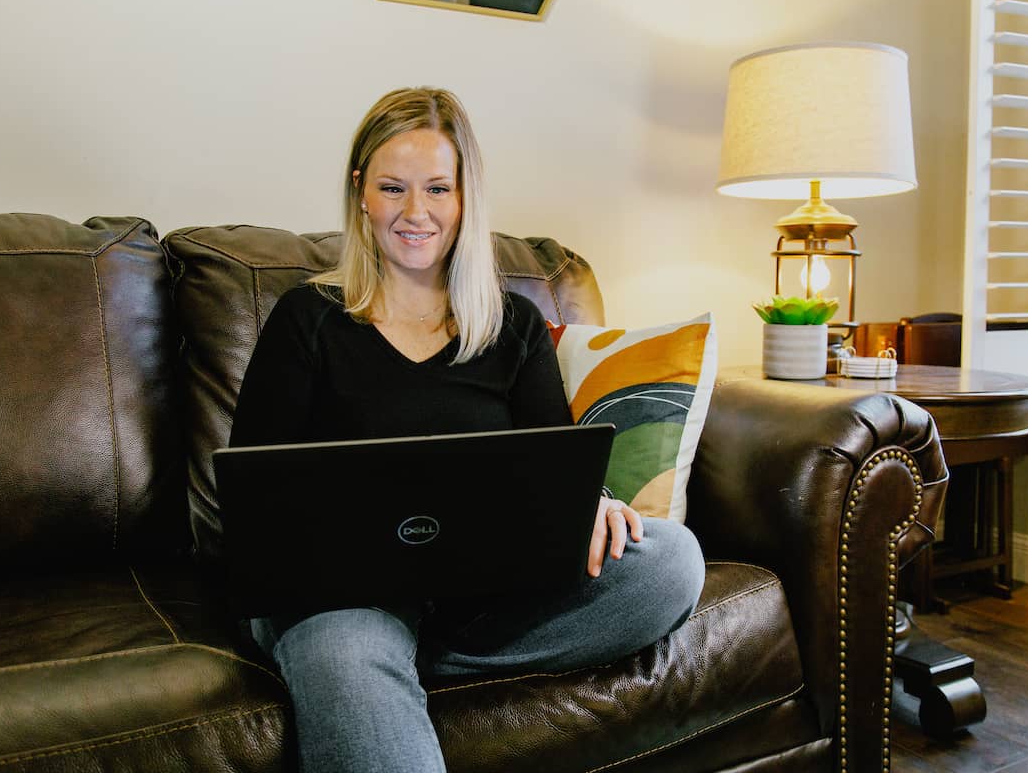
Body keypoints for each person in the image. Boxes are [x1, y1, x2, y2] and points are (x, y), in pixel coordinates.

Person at [229, 87, 706, 773]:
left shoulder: (512, 325)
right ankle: (364, 656)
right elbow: (254, 498)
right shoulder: (309, 319)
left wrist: (593, 506)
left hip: (483, 599)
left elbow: (556, 467)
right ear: (361, 191)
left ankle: (396, 658)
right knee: (346, 642)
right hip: (336, 598)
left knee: (671, 560)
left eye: (437, 189)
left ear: (465, 197)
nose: (415, 212)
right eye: (393, 188)